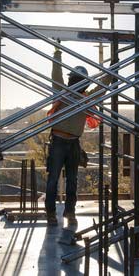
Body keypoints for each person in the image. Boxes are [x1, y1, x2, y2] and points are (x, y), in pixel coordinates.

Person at [45, 47, 112, 226]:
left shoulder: (86, 99)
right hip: (59, 141)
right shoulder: (62, 93)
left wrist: (111, 72)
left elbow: (101, 88)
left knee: (72, 180)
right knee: (53, 179)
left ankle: (70, 212)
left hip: (73, 143)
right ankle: (51, 213)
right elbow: (56, 76)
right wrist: (57, 54)